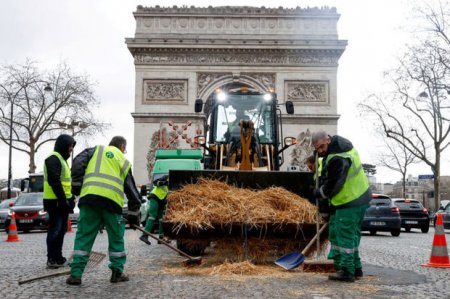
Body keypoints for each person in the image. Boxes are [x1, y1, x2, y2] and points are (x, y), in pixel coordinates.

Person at [66, 136, 142, 286]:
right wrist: (134, 215)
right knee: (116, 237)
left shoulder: (95, 151)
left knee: (84, 236)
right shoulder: (123, 160)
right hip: (112, 203)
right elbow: (132, 190)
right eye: (124, 149)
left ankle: (75, 274)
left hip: (90, 199)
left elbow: (77, 162)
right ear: (121, 146)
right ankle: (117, 272)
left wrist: (76, 186)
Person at [311, 131, 371, 282]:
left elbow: (334, 185)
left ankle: (346, 271)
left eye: (322, 146)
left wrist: (320, 193)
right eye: (317, 149)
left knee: (344, 236)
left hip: (349, 200)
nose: (321, 151)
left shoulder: (338, 158)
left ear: (328, 139)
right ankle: (356, 268)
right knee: (351, 235)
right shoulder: (341, 149)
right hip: (358, 198)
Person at [43, 134, 76, 269]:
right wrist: (63, 200)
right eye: (70, 146)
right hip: (55, 201)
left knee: (61, 230)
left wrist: (70, 198)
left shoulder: (62, 160)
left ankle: (58, 257)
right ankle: (51, 258)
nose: (71, 149)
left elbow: (66, 184)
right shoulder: (53, 158)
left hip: (62, 201)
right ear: (63, 145)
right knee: (55, 230)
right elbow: (54, 181)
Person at [139, 174, 169, 245]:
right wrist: (164, 182)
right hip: (155, 197)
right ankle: (144, 235)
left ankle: (161, 239)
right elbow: (155, 182)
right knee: (152, 215)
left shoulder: (175, 184)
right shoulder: (166, 177)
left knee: (162, 219)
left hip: (162, 200)